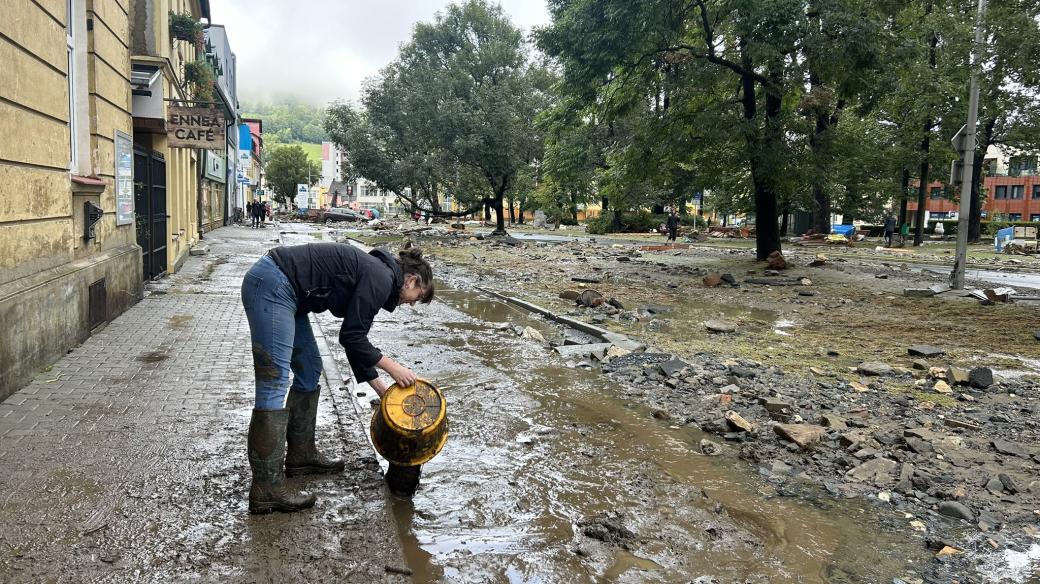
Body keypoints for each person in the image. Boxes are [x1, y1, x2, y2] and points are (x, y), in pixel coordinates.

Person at [241, 243, 435, 514]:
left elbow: (353, 338)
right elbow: (353, 337)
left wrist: (382, 389)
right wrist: (394, 368)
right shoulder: (380, 278)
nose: (412, 302)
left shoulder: (379, 273)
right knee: (273, 380)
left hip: (288, 291)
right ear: (412, 280)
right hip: (273, 285)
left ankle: (301, 457)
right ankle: (266, 488)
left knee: (309, 368)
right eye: (417, 295)